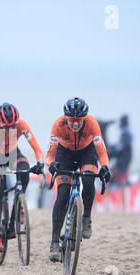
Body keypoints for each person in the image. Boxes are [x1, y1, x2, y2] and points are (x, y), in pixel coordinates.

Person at [46, 97, 111, 262]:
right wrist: (51, 165)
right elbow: (50, 154)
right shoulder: (58, 124)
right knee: (62, 194)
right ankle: (54, 241)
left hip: (86, 152)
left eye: (79, 120)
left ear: (84, 118)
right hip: (64, 152)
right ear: (65, 117)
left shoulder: (92, 123)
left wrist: (105, 166)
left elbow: (101, 151)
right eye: (71, 120)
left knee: (89, 180)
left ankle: (86, 217)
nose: (75, 123)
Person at [0, 103, 44, 253]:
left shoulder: (22, 125)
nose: (10, 129)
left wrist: (40, 163)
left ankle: (19, 205)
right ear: (1, 124)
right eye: (7, 127)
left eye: (13, 126)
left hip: (13, 154)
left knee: (25, 171)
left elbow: (36, 148)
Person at [109, 114, 133, 187]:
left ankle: (114, 188)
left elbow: (121, 147)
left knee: (116, 172)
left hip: (123, 159)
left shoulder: (125, 133)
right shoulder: (127, 132)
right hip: (125, 158)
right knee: (116, 172)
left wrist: (112, 152)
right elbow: (121, 146)